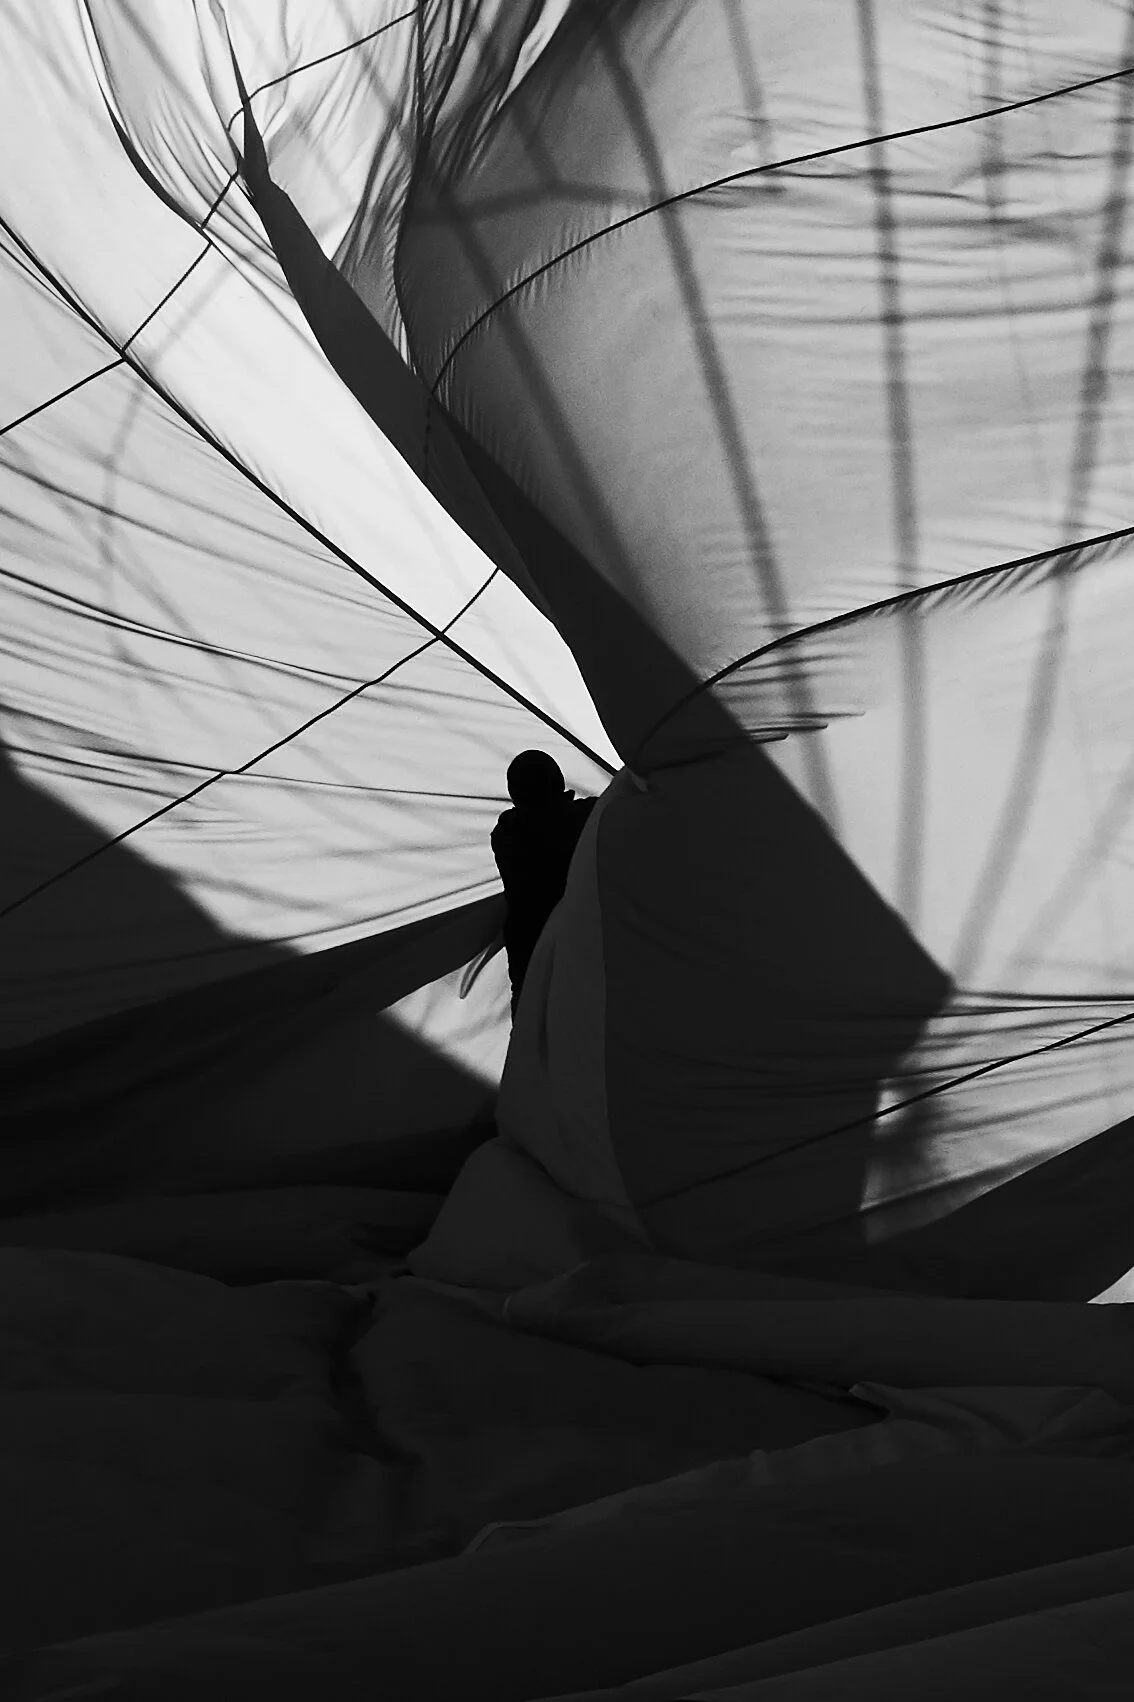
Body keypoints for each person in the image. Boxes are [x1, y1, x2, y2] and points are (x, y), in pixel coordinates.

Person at [491, 750, 596, 1011]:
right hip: (582, 961)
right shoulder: (584, 819)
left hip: (530, 968)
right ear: (559, 782)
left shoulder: (506, 833)